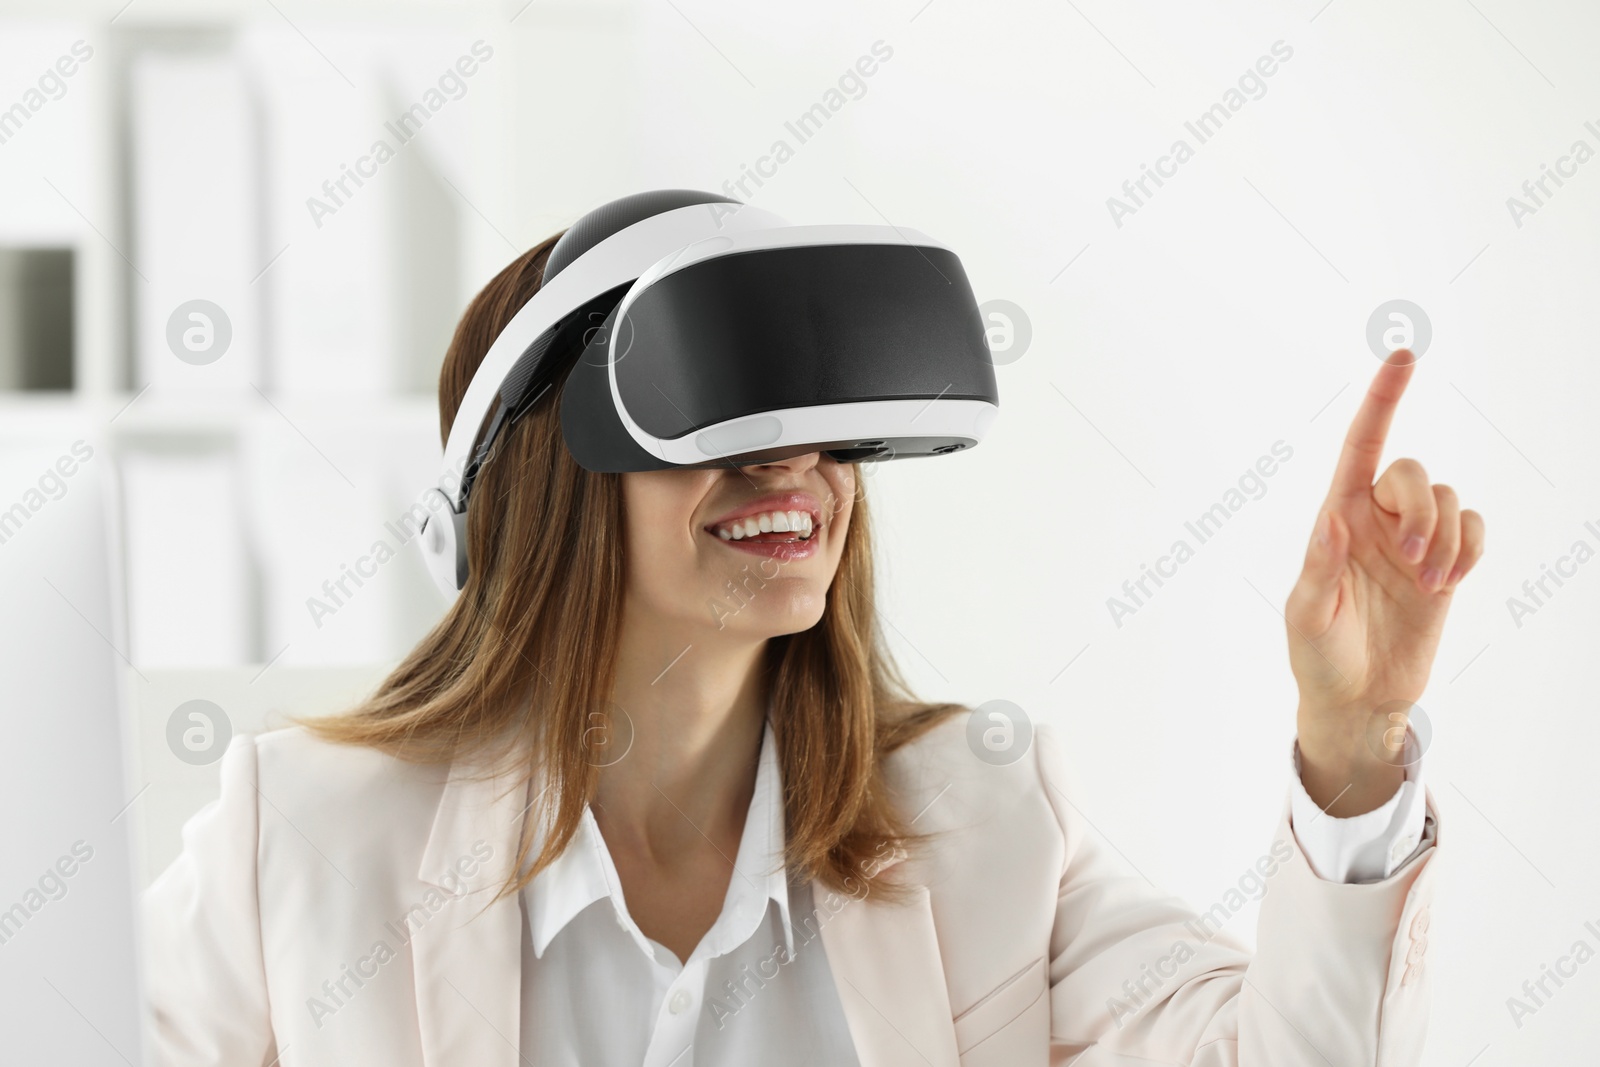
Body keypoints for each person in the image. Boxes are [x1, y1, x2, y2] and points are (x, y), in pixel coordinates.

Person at [142, 224, 1483, 1066]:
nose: (791, 461)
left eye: (816, 413)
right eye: (714, 408)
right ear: (534, 482)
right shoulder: (302, 842)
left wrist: (1351, 742)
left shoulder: (984, 820)